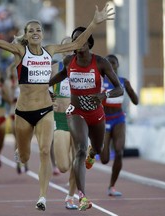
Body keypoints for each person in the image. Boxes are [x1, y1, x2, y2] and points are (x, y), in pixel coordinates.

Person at [0, 3, 114, 211]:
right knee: (24, 157)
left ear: (42, 33)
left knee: (43, 151)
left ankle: (42, 197)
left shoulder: (50, 50)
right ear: (26, 35)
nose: (35, 33)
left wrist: (94, 23)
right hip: (23, 112)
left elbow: (78, 43)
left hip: (45, 110)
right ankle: (20, 152)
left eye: (38, 30)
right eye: (31, 31)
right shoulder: (20, 52)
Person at [49, 27, 123, 211]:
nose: (78, 42)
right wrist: (42, 86)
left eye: (81, 39)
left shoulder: (100, 62)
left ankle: (92, 153)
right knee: (80, 150)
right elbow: (57, 78)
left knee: (97, 149)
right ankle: (82, 196)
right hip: (76, 111)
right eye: (75, 39)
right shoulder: (68, 61)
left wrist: (103, 95)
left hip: (96, 113)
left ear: (89, 42)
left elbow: (119, 89)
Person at [99, 54, 139, 196]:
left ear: (117, 66)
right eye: (108, 63)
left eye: (113, 63)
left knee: (119, 152)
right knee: (104, 160)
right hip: (103, 120)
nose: (111, 65)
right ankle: (94, 148)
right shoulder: (99, 81)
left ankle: (112, 186)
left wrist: (130, 90)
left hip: (118, 119)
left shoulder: (123, 82)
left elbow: (136, 101)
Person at [52, 37, 78, 209]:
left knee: (77, 161)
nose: (69, 48)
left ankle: (70, 196)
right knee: (63, 166)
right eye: (65, 45)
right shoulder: (55, 67)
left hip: (78, 118)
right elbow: (41, 87)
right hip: (60, 118)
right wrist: (47, 95)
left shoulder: (82, 68)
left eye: (72, 45)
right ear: (61, 49)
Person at [4, 62, 28, 174]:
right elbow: (9, 100)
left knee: (26, 139)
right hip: (14, 113)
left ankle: (25, 162)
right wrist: (12, 90)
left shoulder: (25, 81)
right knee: (17, 140)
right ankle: (18, 162)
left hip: (25, 113)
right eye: (14, 70)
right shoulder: (10, 83)